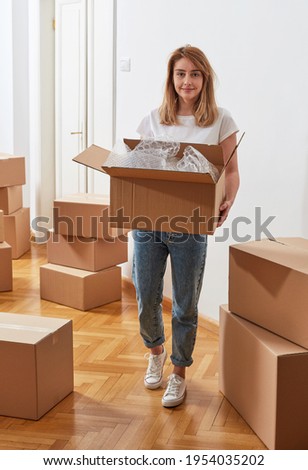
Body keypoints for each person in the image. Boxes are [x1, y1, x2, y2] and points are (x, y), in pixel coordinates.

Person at [132, 45, 240, 408]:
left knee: (184, 305)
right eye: (180, 73)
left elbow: (232, 171)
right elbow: (136, 170)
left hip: (191, 227)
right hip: (148, 224)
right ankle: (156, 352)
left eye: (194, 74)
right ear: (171, 78)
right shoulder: (152, 118)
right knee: (146, 297)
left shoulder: (221, 120)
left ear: (204, 78)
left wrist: (227, 201)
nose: (187, 81)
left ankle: (178, 373)